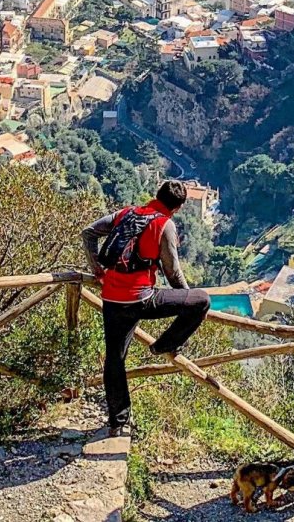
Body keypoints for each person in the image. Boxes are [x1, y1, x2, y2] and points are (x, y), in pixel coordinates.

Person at [82, 180, 210, 435]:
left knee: (115, 359)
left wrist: (96, 268)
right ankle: (165, 344)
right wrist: (186, 294)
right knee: (201, 300)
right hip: (142, 299)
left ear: (156, 195)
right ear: (179, 207)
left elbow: (88, 232)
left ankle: (118, 421)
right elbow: (173, 273)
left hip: (112, 298)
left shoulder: (126, 213)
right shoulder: (165, 224)